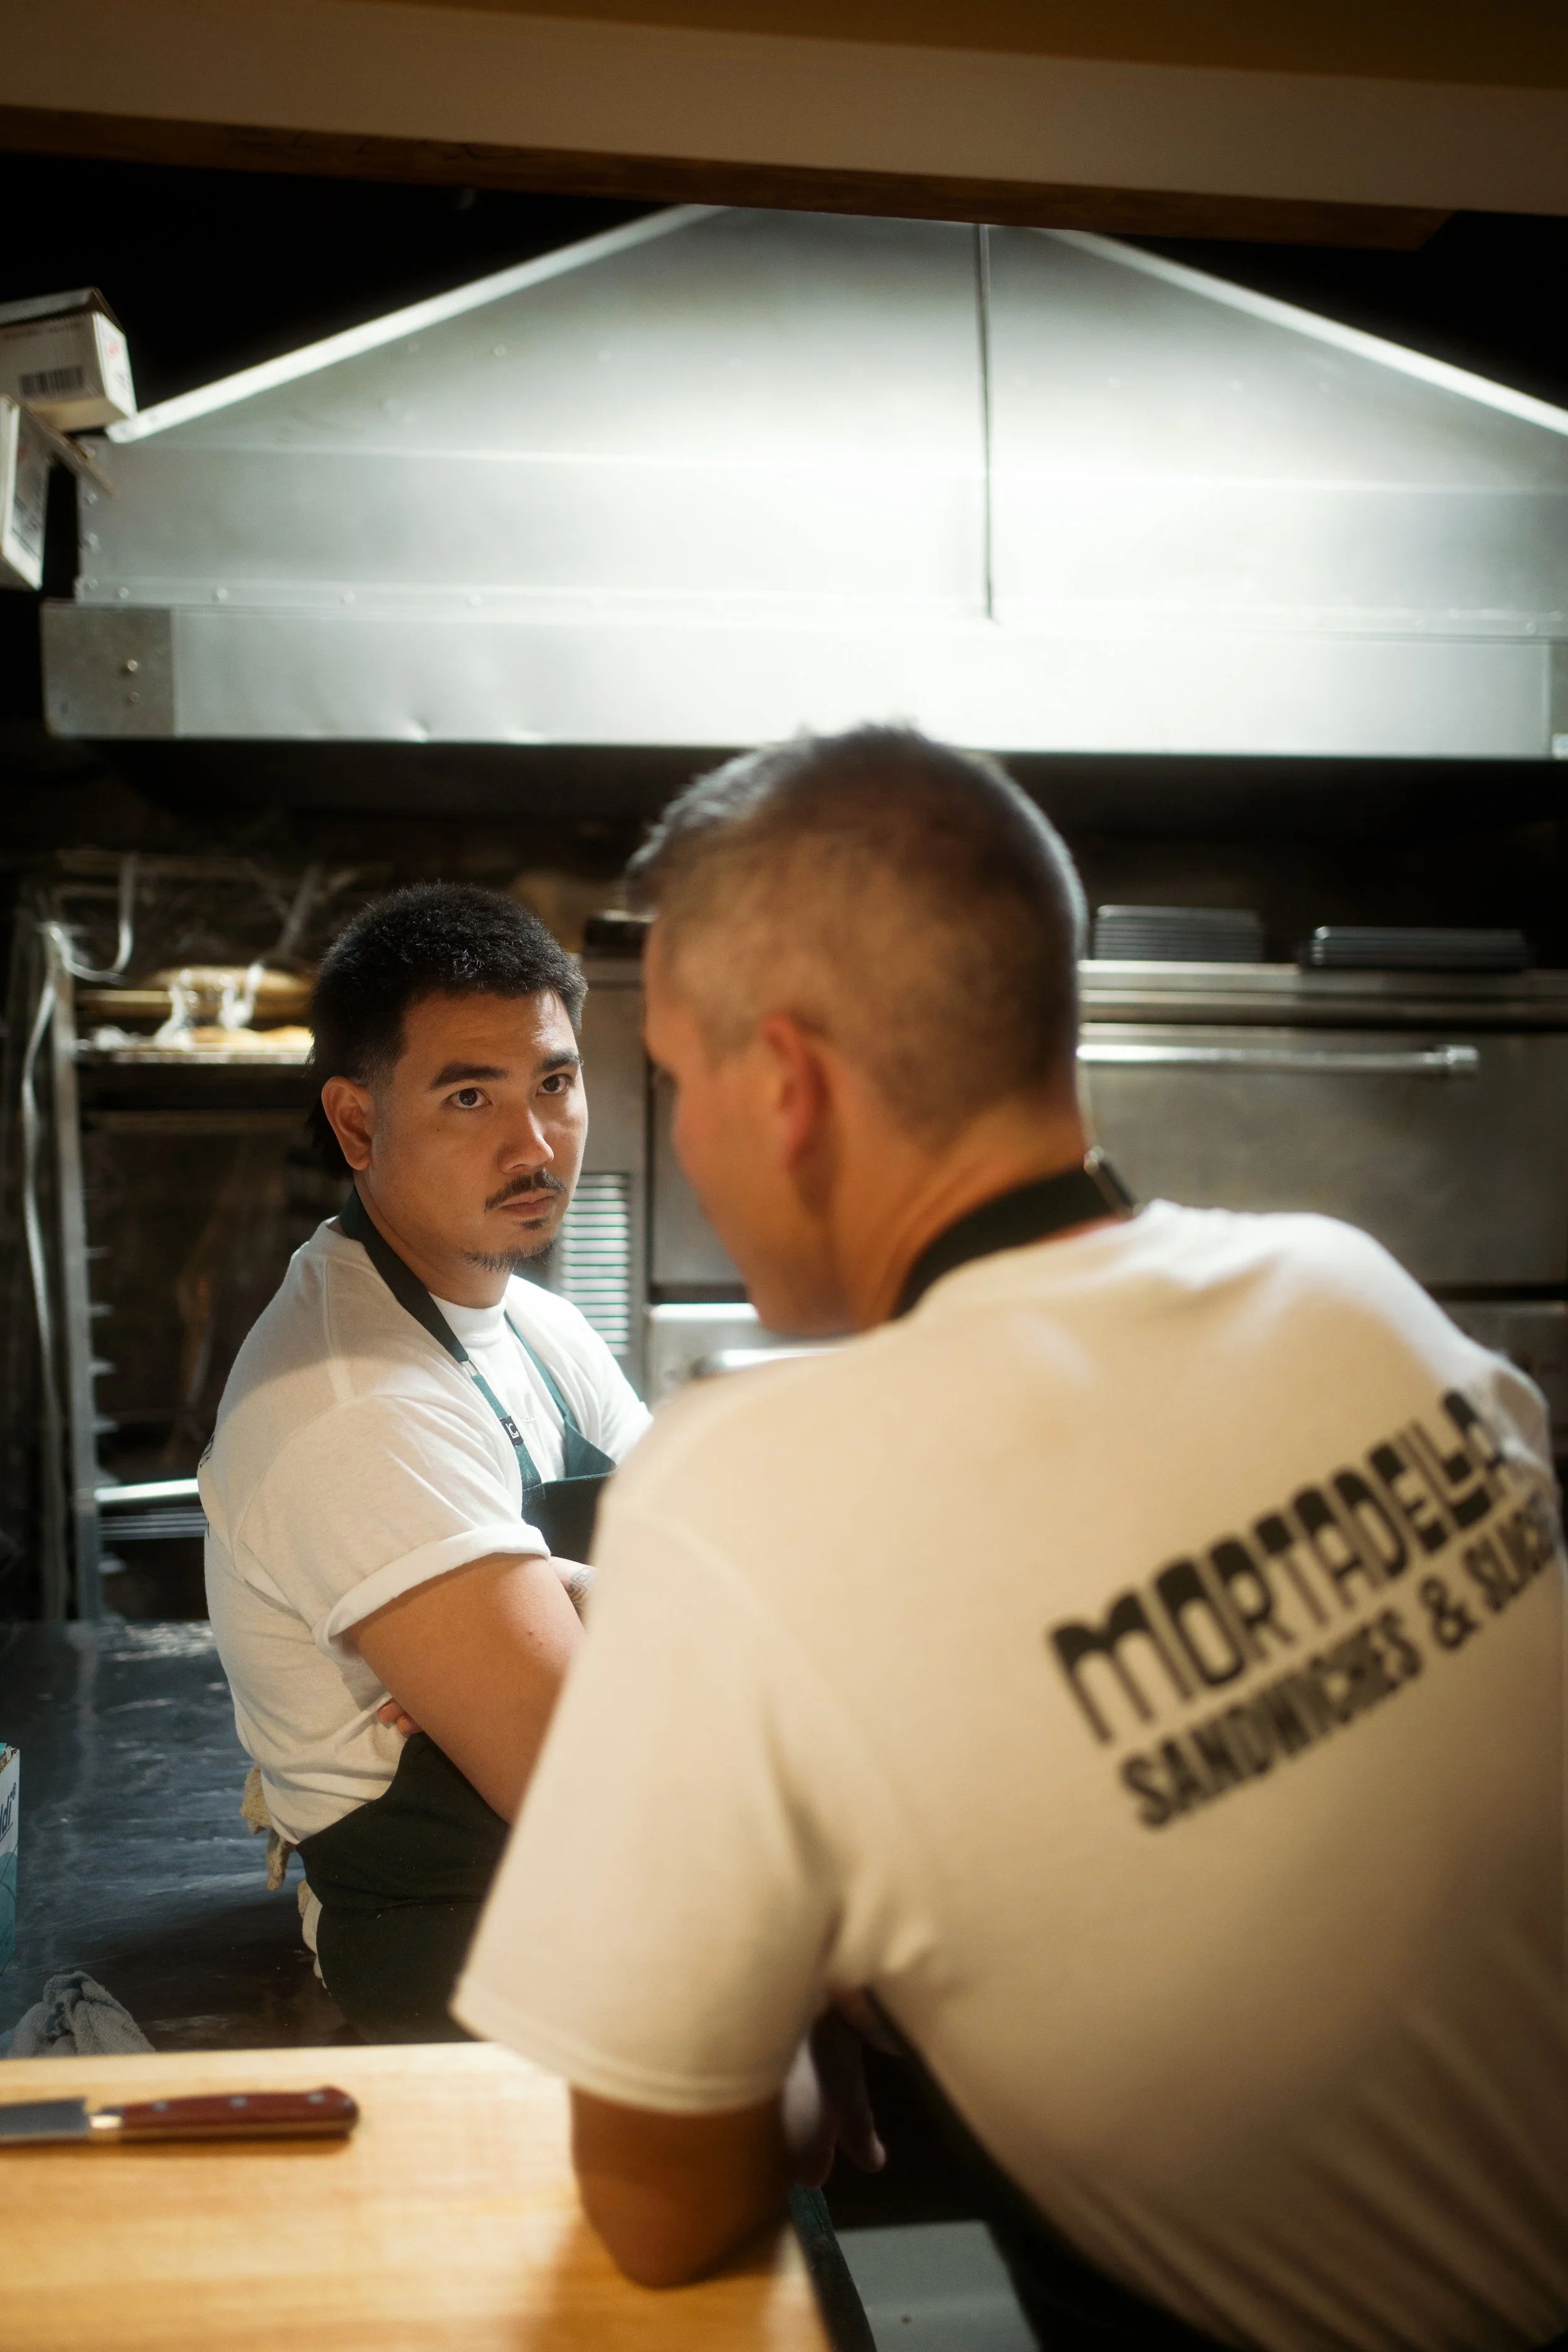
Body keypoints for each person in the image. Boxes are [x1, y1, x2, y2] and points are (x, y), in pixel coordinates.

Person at [454, 728, 1568, 2351]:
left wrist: (774, 2009)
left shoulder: (749, 1480)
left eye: (681, 1080)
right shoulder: (1356, 1293)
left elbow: (661, 2202)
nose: (678, 1134)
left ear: (789, 1083)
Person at [203, 883, 649, 2039]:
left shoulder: (541, 1328)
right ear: (356, 1124)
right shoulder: (353, 1401)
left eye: (555, 1081)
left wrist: (575, 1597)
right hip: (472, 1982)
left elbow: (728, 1590)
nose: (536, 1142)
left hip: (613, 1917)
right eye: (470, 1095)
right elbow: (597, 1789)